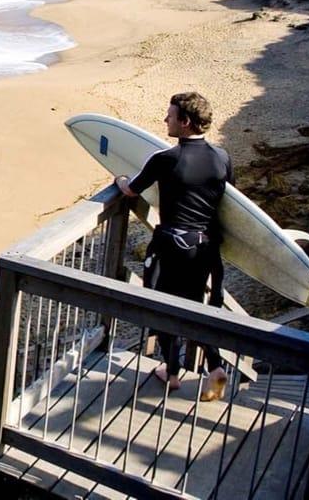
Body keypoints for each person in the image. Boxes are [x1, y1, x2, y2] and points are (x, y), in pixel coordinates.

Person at [115, 92, 232, 401]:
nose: (165, 119)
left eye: (170, 115)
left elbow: (130, 189)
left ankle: (172, 371)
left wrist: (119, 178)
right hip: (205, 248)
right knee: (196, 305)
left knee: (163, 306)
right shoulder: (222, 158)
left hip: (170, 246)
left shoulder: (165, 159)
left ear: (185, 122)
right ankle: (216, 367)